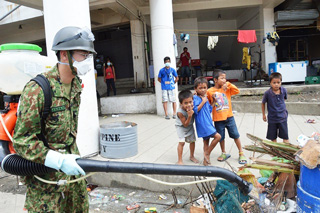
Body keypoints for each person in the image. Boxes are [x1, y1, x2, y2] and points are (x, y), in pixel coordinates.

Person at [13, 26, 96, 212]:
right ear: (64, 55)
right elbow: (22, 141)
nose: (88, 61)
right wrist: (58, 161)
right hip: (46, 186)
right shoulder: (38, 89)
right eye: (83, 54)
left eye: (89, 55)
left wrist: (70, 161)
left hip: (74, 181)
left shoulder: (75, 85)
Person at [207, 70, 247, 164]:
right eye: (222, 78)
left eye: (225, 78)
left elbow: (237, 91)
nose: (224, 80)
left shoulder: (227, 88)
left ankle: (241, 152)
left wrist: (228, 84)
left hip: (229, 117)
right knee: (221, 137)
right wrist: (213, 99)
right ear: (215, 80)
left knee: (235, 135)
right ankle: (223, 152)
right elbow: (209, 106)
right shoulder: (210, 91)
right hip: (218, 119)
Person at [193, 77, 221, 166]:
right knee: (218, 137)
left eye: (205, 88)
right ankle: (207, 154)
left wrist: (214, 101)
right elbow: (195, 110)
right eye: (200, 88)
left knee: (206, 141)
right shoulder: (195, 98)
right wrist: (203, 101)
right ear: (195, 89)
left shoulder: (204, 97)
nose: (203, 90)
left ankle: (206, 162)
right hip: (203, 123)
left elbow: (209, 109)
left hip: (208, 121)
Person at [262, 72, 289, 143]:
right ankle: (274, 152)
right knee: (273, 137)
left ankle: (286, 151)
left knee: (285, 137)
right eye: (274, 82)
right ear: (270, 83)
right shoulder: (267, 93)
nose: (276, 84)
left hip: (282, 117)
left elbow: (284, 100)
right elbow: (263, 103)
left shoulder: (284, 90)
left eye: (278, 82)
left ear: (281, 82)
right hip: (272, 118)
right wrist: (263, 114)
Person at [175, 90, 199, 165]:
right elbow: (185, 124)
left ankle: (191, 156)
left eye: (190, 102)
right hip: (181, 127)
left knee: (192, 141)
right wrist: (189, 116)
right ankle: (179, 160)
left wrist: (195, 95)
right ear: (181, 103)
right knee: (181, 142)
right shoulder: (180, 112)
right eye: (185, 103)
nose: (189, 104)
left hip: (190, 126)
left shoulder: (192, 105)